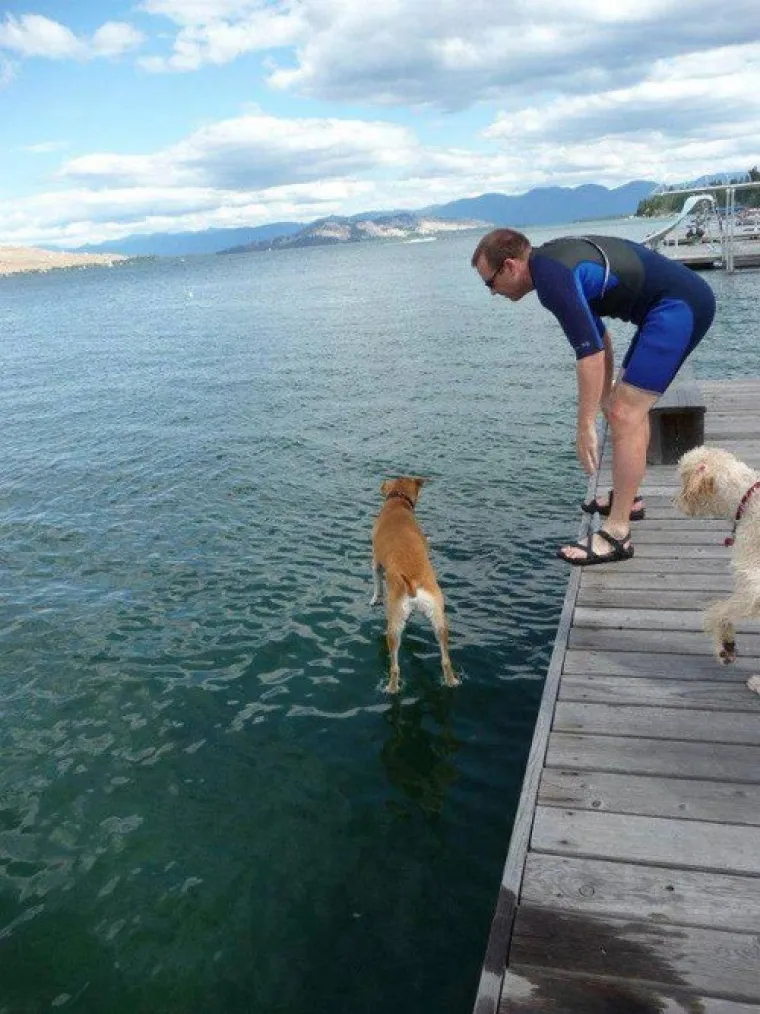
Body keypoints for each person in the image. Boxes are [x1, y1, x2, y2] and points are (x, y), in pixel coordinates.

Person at [471, 229, 716, 566]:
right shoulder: (551, 264)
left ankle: (617, 534)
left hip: (678, 307)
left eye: (490, 283)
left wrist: (585, 425)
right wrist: (603, 398)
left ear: (510, 266)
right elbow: (601, 339)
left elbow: (590, 356)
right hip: (672, 305)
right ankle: (627, 502)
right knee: (624, 410)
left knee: (626, 414)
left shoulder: (551, 278)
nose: (492, 293)